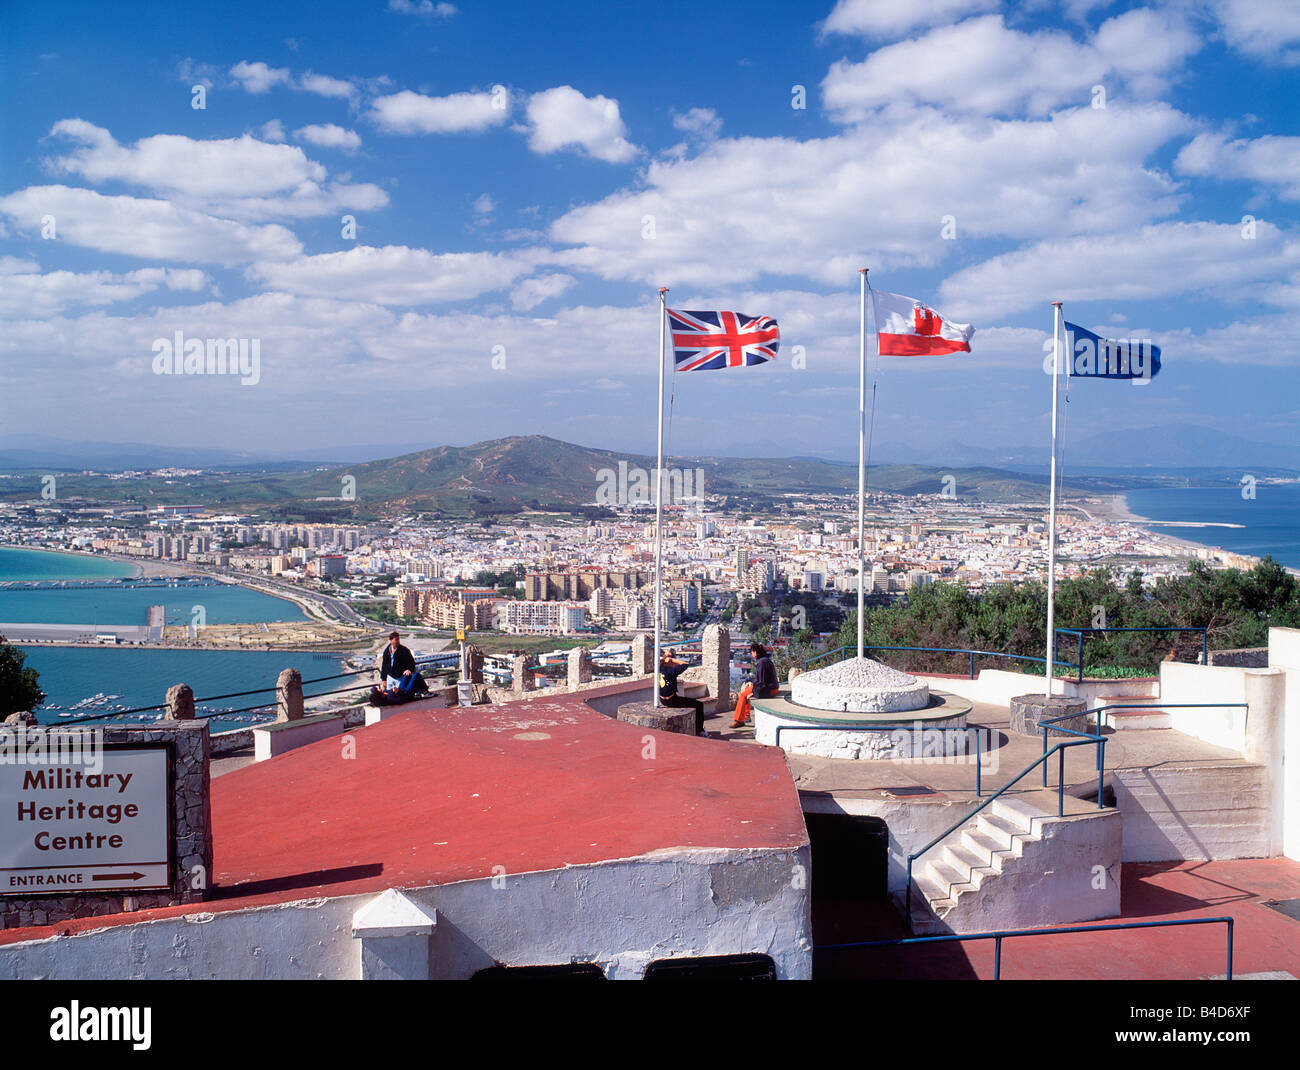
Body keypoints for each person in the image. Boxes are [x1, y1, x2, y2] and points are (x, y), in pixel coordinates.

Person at [731, 642, 779, 728]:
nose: (752, 654)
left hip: (769, 690)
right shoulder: (766, 660)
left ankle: (738, 720)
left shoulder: (761, 663)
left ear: (756, 652)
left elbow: (761, 682)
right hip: (773, 688)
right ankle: (746, 716)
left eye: (752, 652)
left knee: (743, 695)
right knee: (748, 689)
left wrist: (753, 691)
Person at [659, 651, 705, 736]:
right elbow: (685, 664)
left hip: (662, 700)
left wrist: (665, 657)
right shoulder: (672, 671)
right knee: (699, 705)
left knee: (688, 700)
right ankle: (699, 730)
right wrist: (673, 660)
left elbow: (661, 662)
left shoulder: (660, 668)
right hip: (672, 701)